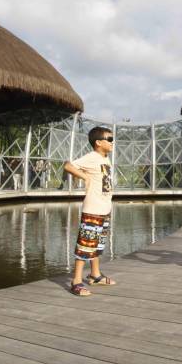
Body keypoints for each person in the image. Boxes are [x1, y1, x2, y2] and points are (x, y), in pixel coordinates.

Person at [63, 126, 117, 297]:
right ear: (98, 143)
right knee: (85, 246)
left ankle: (95, 275)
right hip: (92, 209)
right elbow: (68, 165)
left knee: (97, 245)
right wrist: (84, 177)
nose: (112, 142)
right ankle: (76, 281)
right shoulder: (92, 157)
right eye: (109, 139)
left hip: (103, 209)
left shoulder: (105, 159)